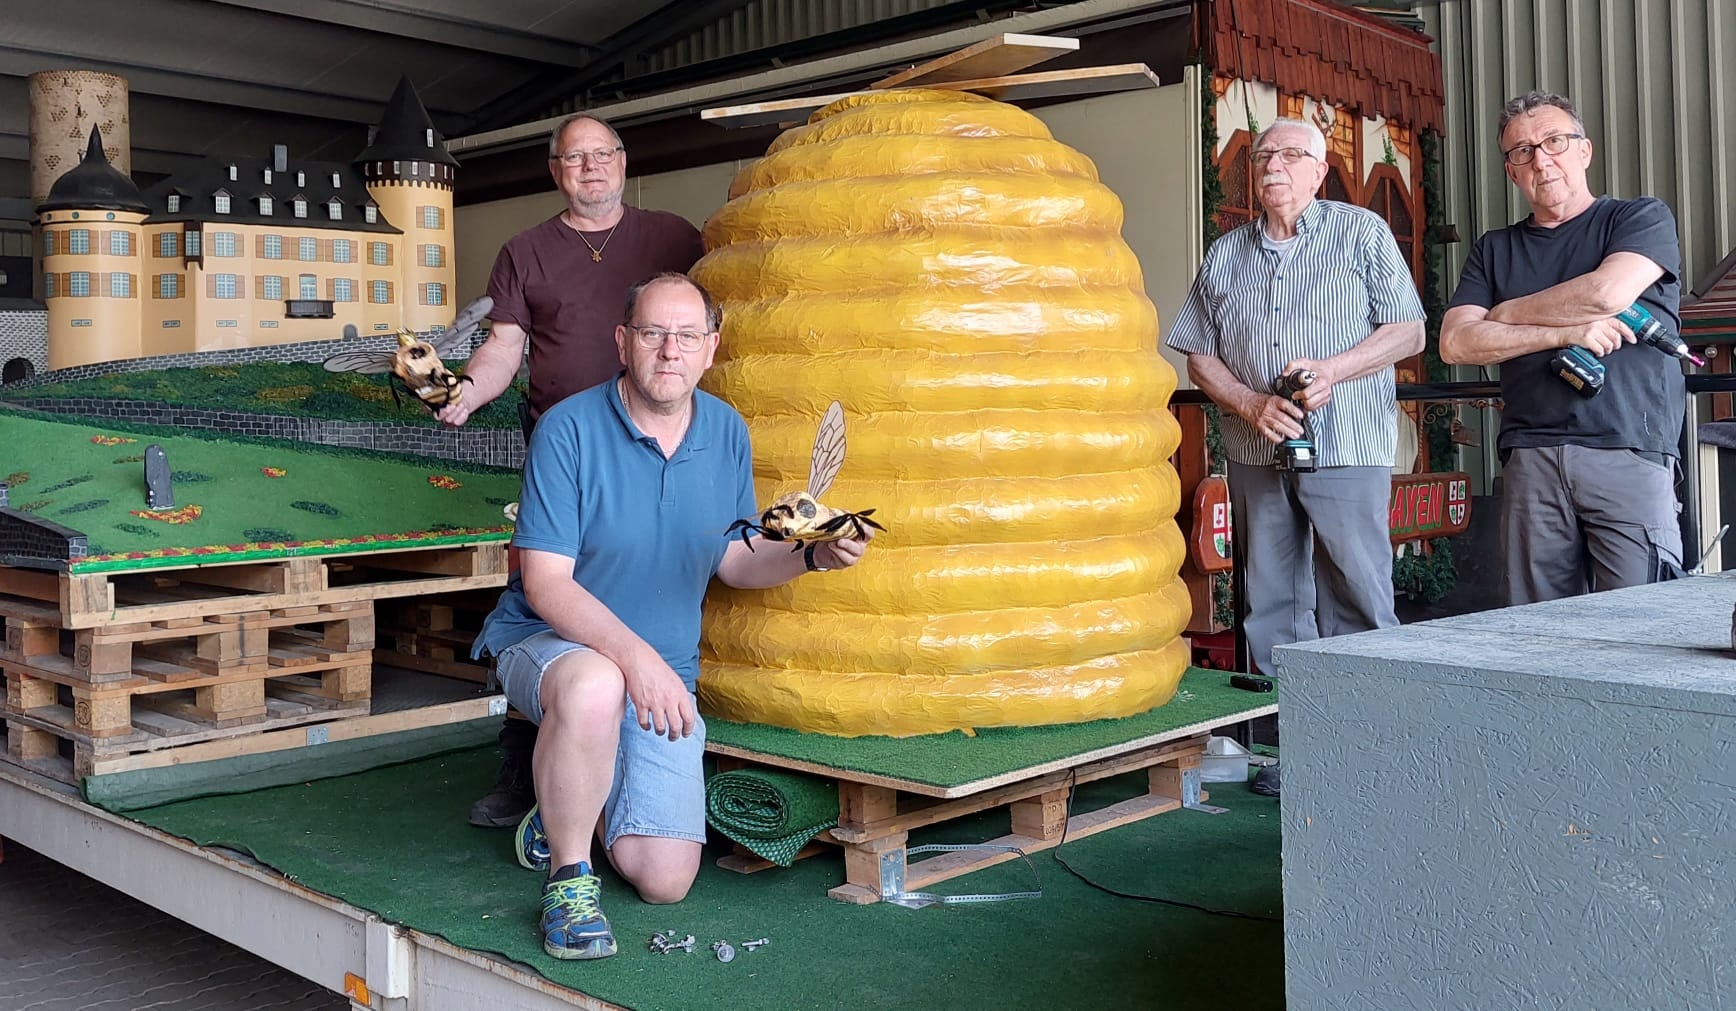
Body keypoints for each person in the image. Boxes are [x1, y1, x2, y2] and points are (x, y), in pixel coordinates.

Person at [472, 273, 874, 959]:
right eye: (654, 333)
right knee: (596, 684)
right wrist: (637, 661)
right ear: (623, 342)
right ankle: (569, 877)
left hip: (659, 671)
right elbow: (545, 583)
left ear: (711, 348)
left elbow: (734, 557)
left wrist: (811, 558)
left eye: (687, 336)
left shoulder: (725, 432)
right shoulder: (569, 428)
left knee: (665, 879)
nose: (670, 351)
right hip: (549, 644)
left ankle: (566, 790)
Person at [440, 113, 704, 829]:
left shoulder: (676, 238)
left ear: (624, 161)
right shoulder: (525, 251)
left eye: (604, 154)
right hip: (563, 453)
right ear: (556, 171)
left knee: (650, 582)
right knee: (540, 594)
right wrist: (469, 389)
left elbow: (708, 319)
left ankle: (649, 748)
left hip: (657, 444)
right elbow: (504, 346)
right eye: (575, 158)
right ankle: (521, 762)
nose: (592, 167)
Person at [1166, 117, 1425, 676]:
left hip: (1347, 442)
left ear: (1319, 173)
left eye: (1289, 155)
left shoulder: (1362, 232)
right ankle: (1285, 733)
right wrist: (1248, 402)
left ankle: (1366, 730)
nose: (1272, 166)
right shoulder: (1225, 254)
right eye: (1262, 157)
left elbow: (1409, 330)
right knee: (1269, 598)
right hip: (1257, 448)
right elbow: (1198, 353)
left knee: (1357, 591)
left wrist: (1333, 370)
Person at [1441, 90, 1684, 605]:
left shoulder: (1638, 219)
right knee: (1537, 626)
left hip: (1627, 449)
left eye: (1554, 141)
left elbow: (1607, 292)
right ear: (1512, 171)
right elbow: (1456, 341)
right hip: (1531, 455)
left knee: (1643, 618)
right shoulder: (1495, 249)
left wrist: (1506, 313)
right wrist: (1564, 333)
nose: (1541, 159)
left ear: (1584, 150)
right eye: (1522, 151)